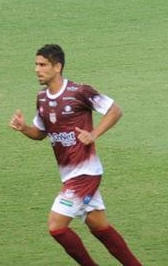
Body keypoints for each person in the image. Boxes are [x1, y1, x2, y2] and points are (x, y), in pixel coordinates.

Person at [9, 44, 142, 266]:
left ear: (57, 66)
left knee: (56, 226)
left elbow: (115, 110)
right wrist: (23, 128)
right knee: (99, 227)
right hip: (69, 174)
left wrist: (93, 134)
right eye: (36, 64)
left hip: (85, 173)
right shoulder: (42, 99)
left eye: (42, 65)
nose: (37, 69)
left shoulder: (79, 92)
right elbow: (41, 133)